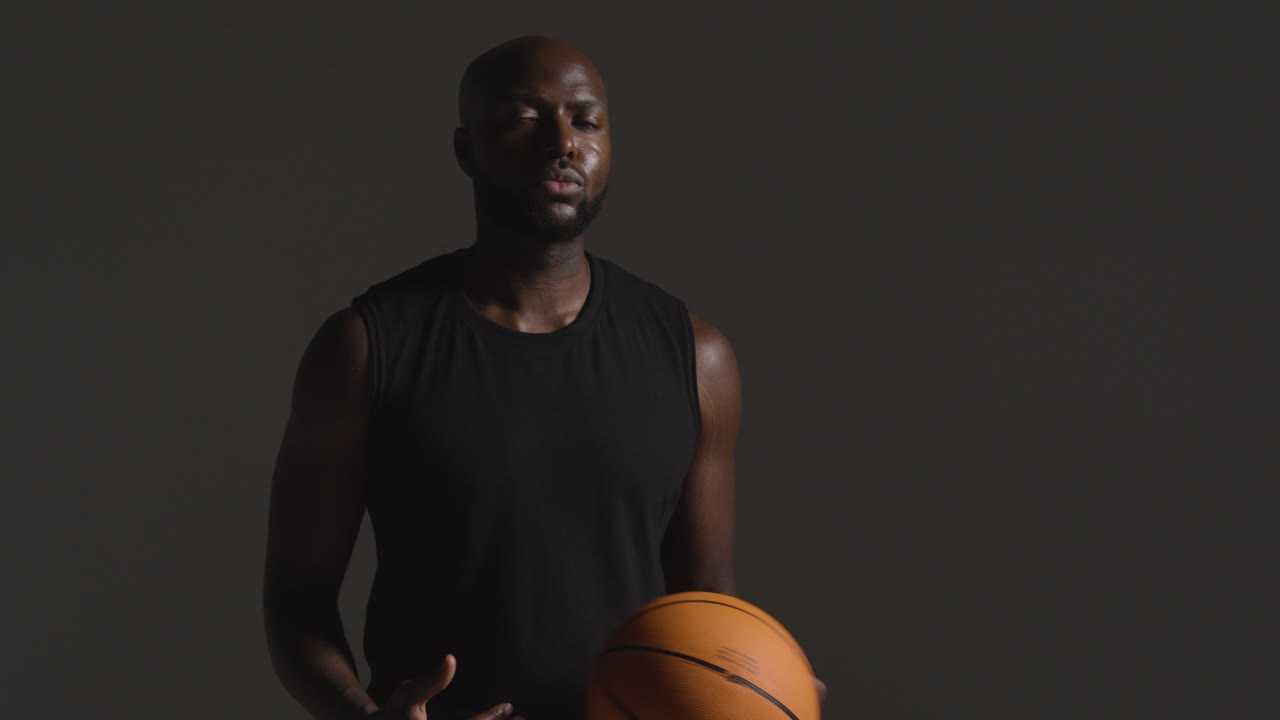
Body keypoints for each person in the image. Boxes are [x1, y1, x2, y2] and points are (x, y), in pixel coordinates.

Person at [263, 35, 824, 720]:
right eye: (526, 117)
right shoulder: (364, 348)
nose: (563, 141)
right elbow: (296, 602)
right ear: (466, 149)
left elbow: (707, 599)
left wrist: (761, 683)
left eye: (586, 120)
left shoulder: (696, 356)